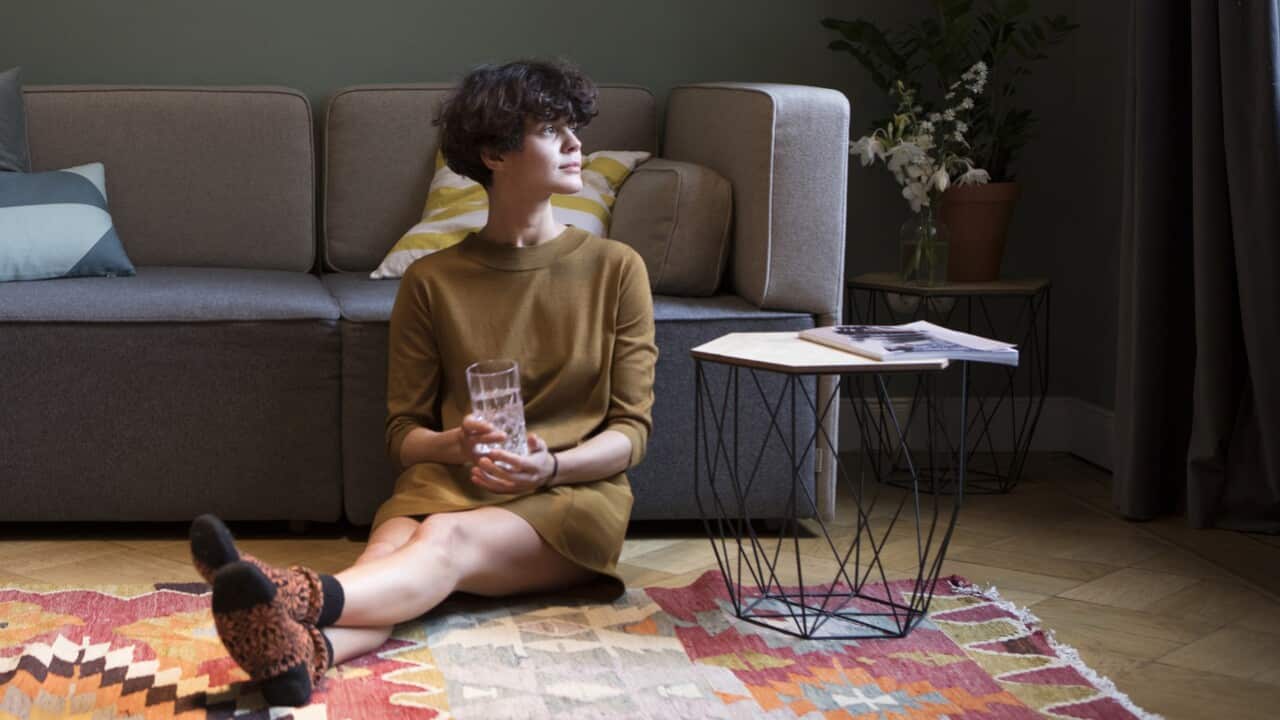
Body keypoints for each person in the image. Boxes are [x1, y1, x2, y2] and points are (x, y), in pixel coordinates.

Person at [188, 58, 657, 707]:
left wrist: (549, 466)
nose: (577, 144)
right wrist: (454, 444)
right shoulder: (432, 280)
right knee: (385, 572)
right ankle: (302, 657)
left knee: (441, 541)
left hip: (570, 494)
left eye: (574, 128)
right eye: (553, 130)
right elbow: (403, 435)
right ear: (495, 152)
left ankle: (292, 592)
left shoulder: (617, 269)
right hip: (445, 481)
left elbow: (632, 432)